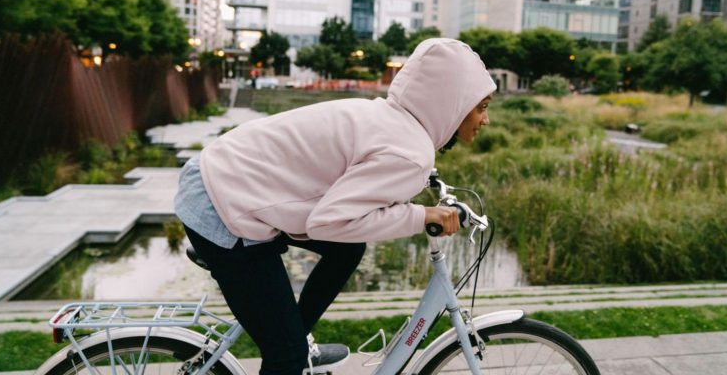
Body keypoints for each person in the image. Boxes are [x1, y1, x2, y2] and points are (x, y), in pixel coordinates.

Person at [174, 38, 495, 375]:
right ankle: (295, 347)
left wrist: (418, 186)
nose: (485, 119)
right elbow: (328, 223)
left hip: (220, 177)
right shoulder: (410, 152)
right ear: (451, 105)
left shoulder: (388, 117)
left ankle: (298, 334)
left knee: (348, 249)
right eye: (481, 106)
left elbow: (362, 168)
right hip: (223, 206)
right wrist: (421, 215)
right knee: (286, 355)